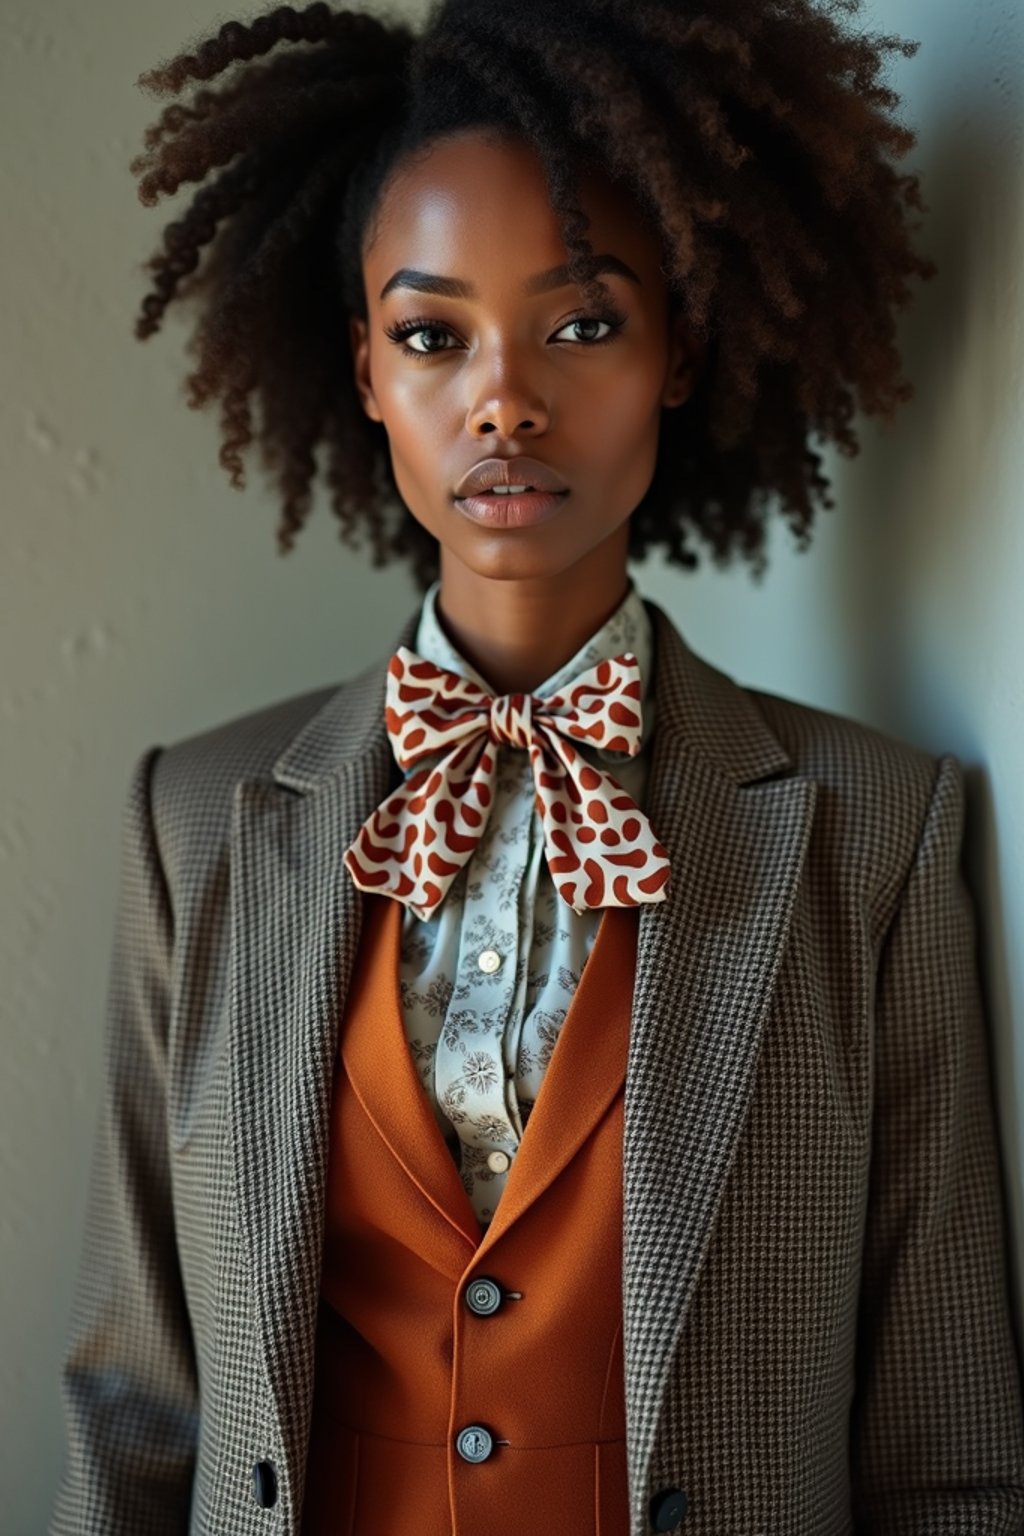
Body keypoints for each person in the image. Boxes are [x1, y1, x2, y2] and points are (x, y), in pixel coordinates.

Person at [49, 1, 1024, 1532]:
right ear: (365, 369)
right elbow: (140, 1409)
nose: (505, 398)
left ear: (681, 349)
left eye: (582, 323)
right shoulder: (194, 823)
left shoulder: (876, 834)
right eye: (434, 335)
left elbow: (949, 1447)